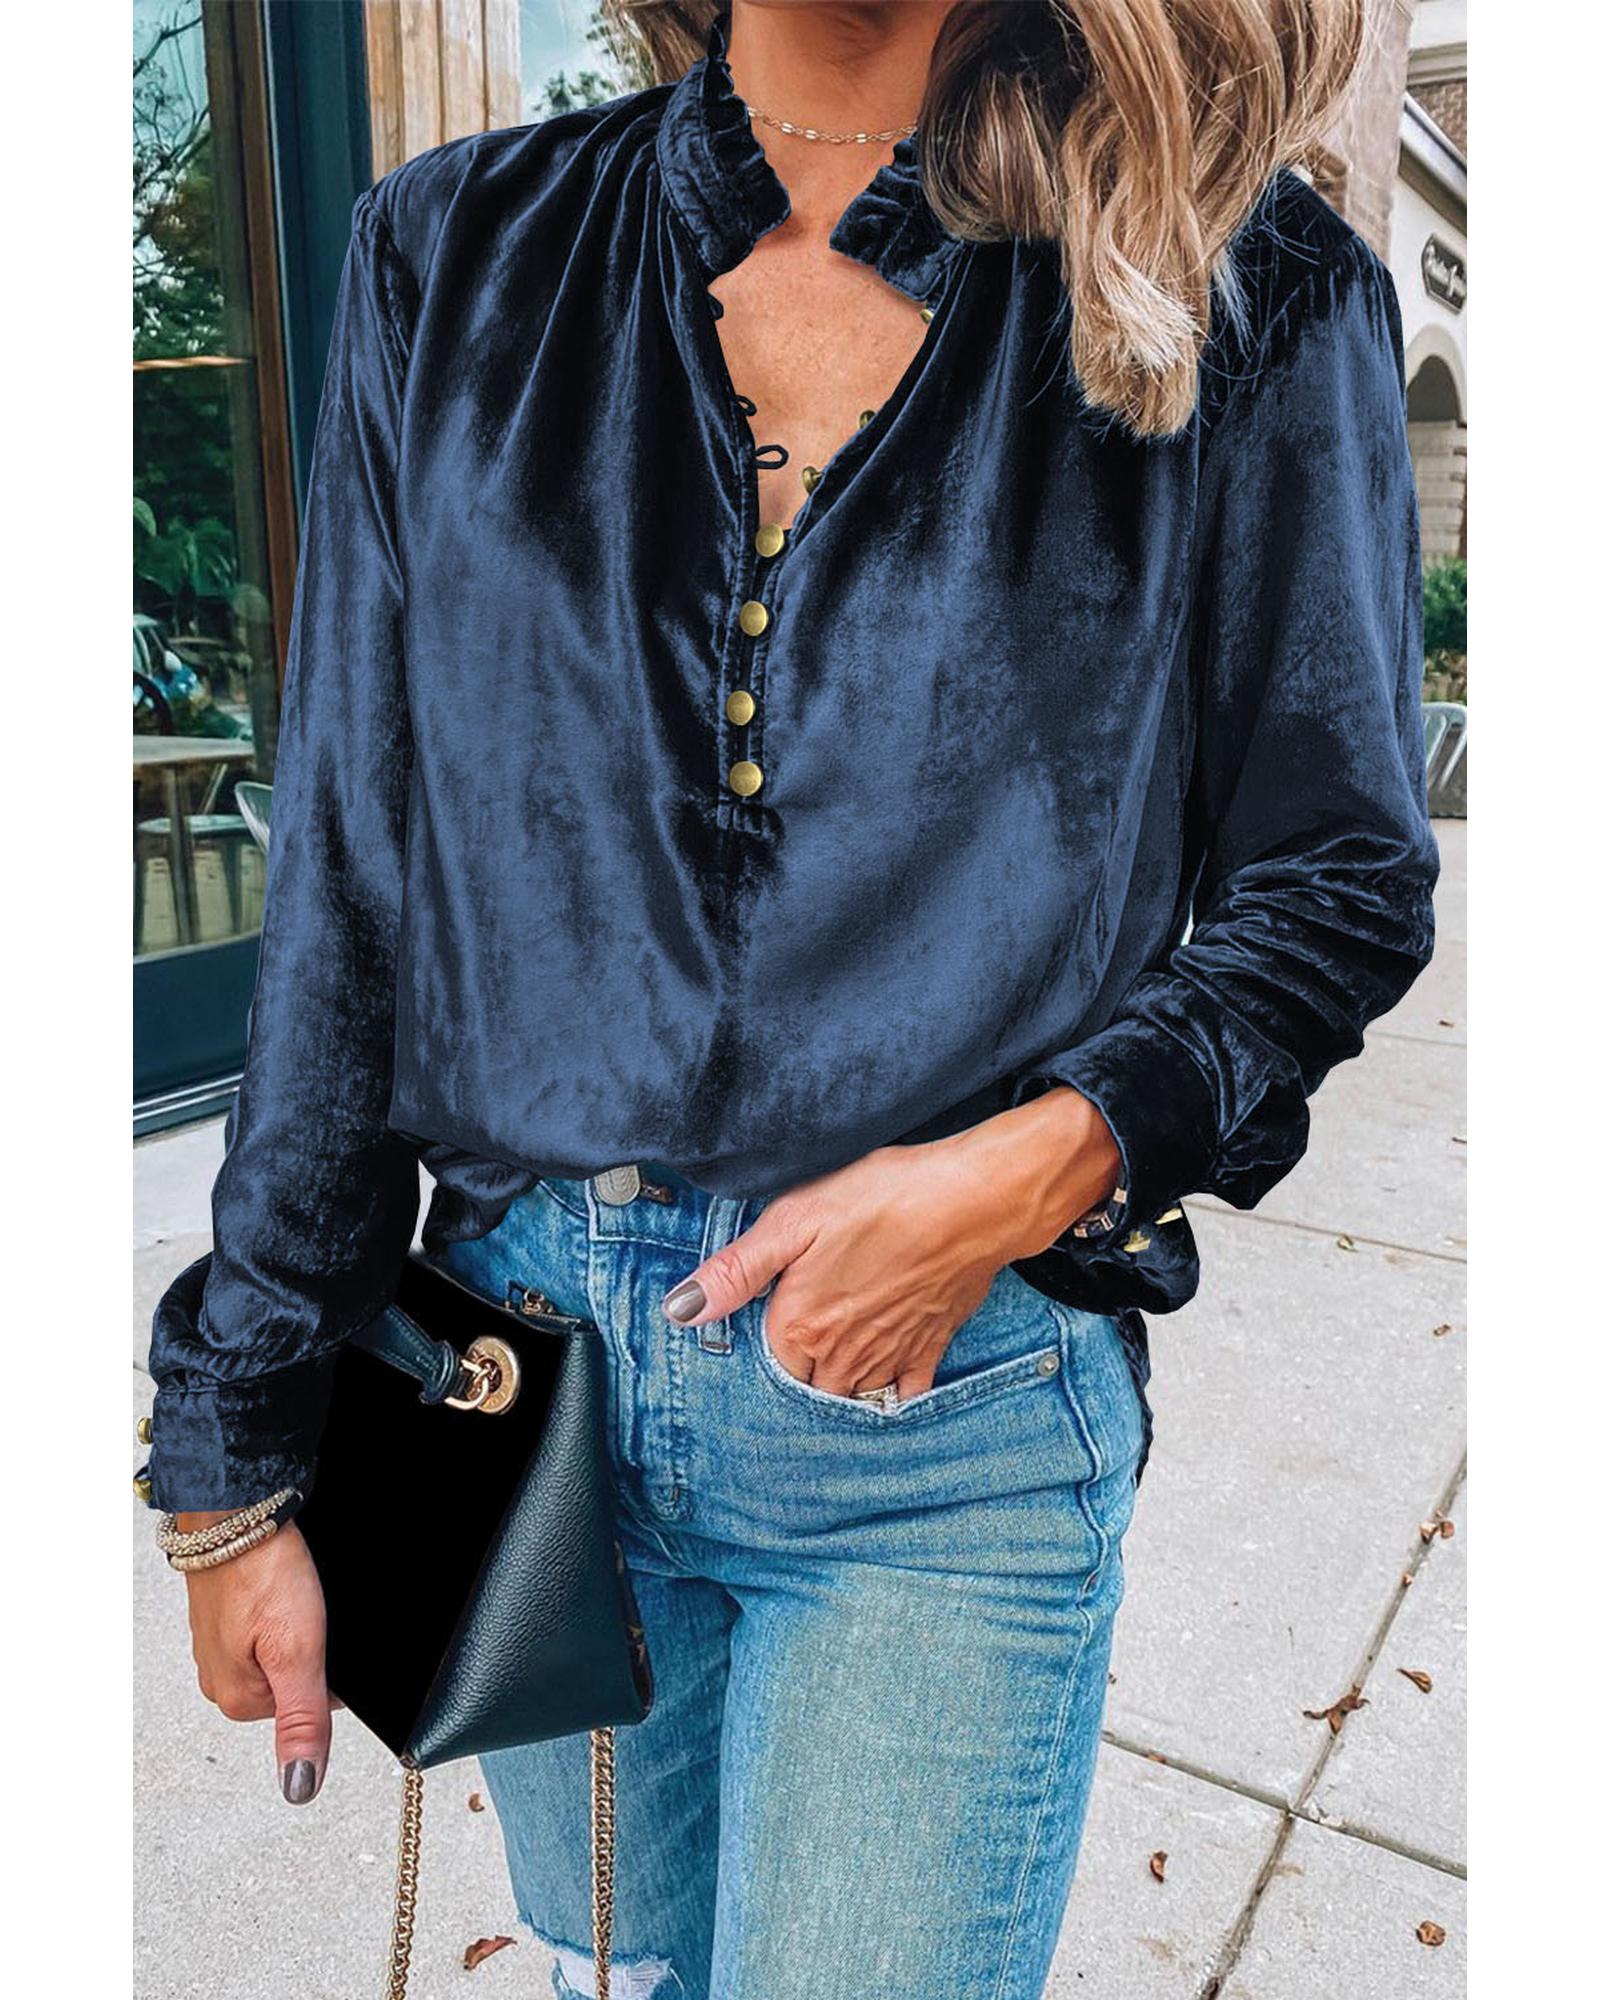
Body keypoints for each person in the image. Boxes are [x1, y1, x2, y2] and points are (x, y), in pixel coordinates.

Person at [143, 3, 1438, 1994]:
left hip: (940, 1415)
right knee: (624, 1978)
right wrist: (237, 1445)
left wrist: (1031, 1166)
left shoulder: (1242, 280)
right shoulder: (453, 249)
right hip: (521, 1381)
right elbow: (347, 885)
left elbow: (1335, 872)